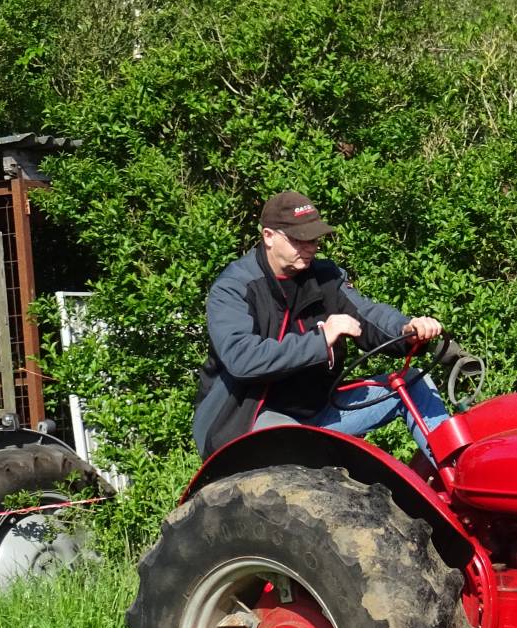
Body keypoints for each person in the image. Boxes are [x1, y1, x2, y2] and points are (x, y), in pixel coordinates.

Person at [191, 191, 452, 457]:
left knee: (413, 383)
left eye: (314, 239)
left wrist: (406, 330)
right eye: (299, 239)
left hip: (320, 408)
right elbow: (242, 358)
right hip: (248, 419)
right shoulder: (234, 287)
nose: (310, 247)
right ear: (268, 236)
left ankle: (454, 476)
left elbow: (366, 313)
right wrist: (321, 339)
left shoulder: (325, 275)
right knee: (302, 455)